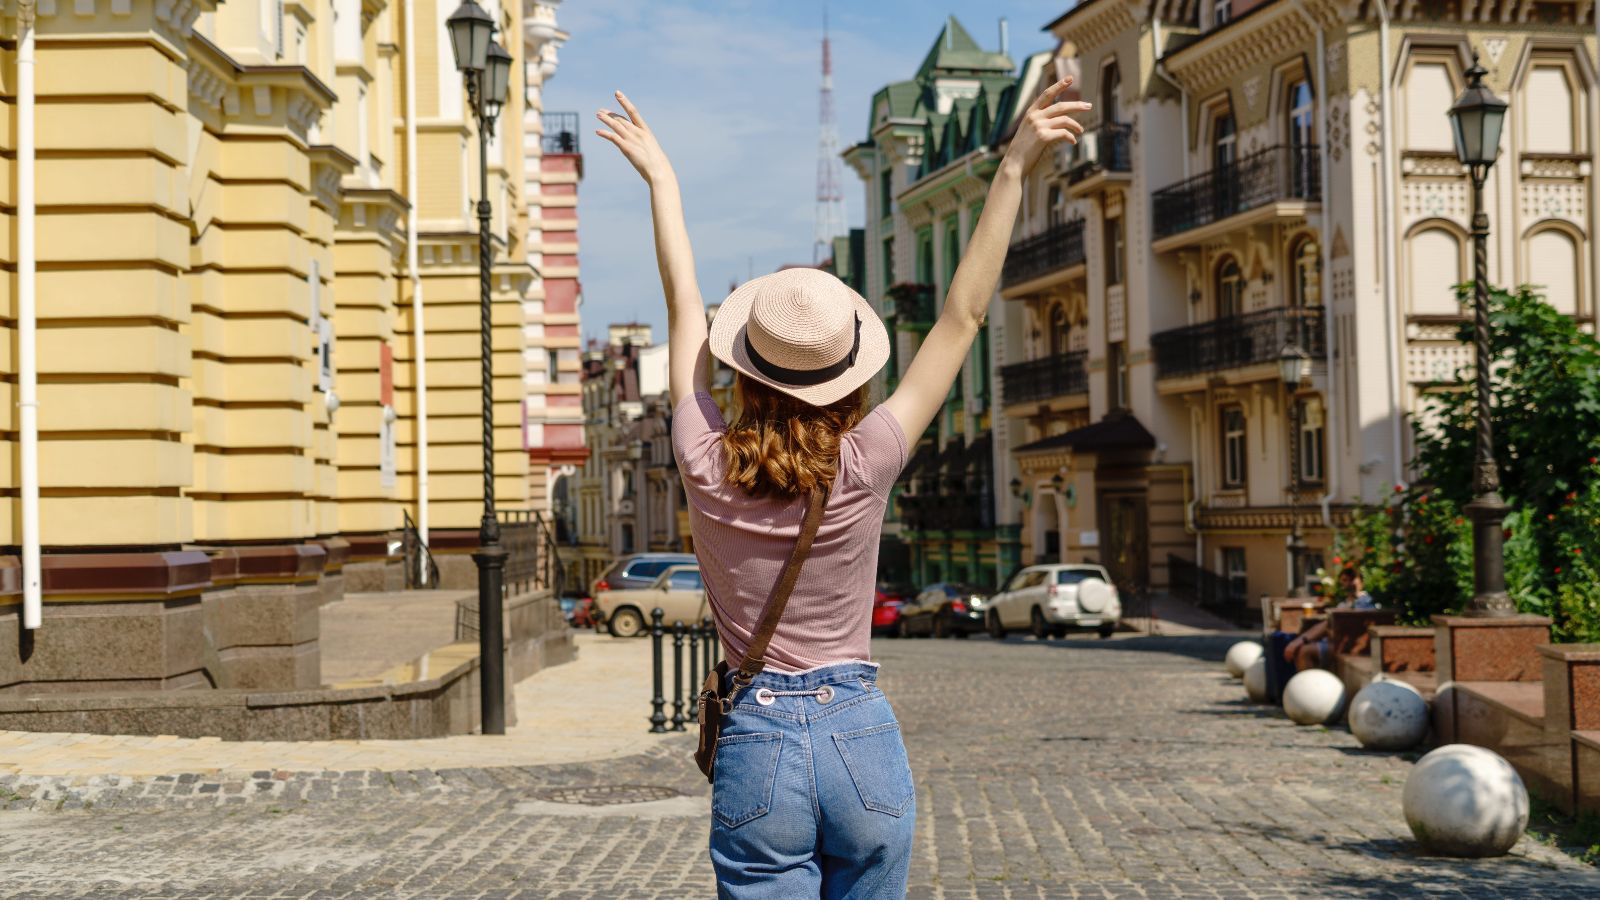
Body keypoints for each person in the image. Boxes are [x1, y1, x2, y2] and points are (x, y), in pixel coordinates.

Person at [594, 81, 1090, 898]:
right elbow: (963, 318)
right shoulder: (870, 457)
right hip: (860, 736)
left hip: (757, 739)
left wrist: (663, 182)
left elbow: (684, 307)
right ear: (849, 374)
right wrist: (1012, 167)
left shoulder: (703, 457)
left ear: (745, 372)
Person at [1283, 568, 1377, 671]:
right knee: (1301, 649)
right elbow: (1327, 624)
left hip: (1349, 645)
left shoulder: (1367, 601)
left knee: (1305, 651)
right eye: (1344, 580)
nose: (1348, 583)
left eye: (1351, 579)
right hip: (1336, 642)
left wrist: (1300, 641)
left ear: (1361, 581)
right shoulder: (1343, 604)